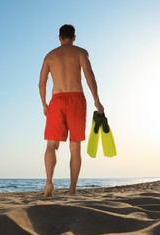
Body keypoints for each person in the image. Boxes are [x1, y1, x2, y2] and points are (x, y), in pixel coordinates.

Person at [38, 24, 104, 196]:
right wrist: (97, 101)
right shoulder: (81, 52)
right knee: (75, 146)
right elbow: (90, 76)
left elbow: (41, 83)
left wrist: (44, 104)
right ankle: (72, 190)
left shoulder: (50, 56)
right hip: (76, 99)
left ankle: (48, 183)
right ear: (74, 37)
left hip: (57, 100)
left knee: (52, 145)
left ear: (59, 37)